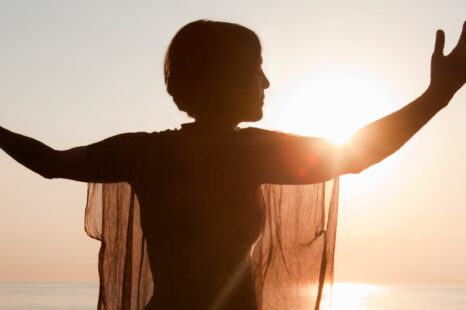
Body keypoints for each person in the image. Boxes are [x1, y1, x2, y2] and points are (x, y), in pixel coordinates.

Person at [0, 19, 465, 310]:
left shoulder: (143, 151)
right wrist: (436, 97)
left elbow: (48, 162)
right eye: (255, 67)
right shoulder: (247, 152)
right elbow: (358, 153)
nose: (265, 81)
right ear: (221, 77)